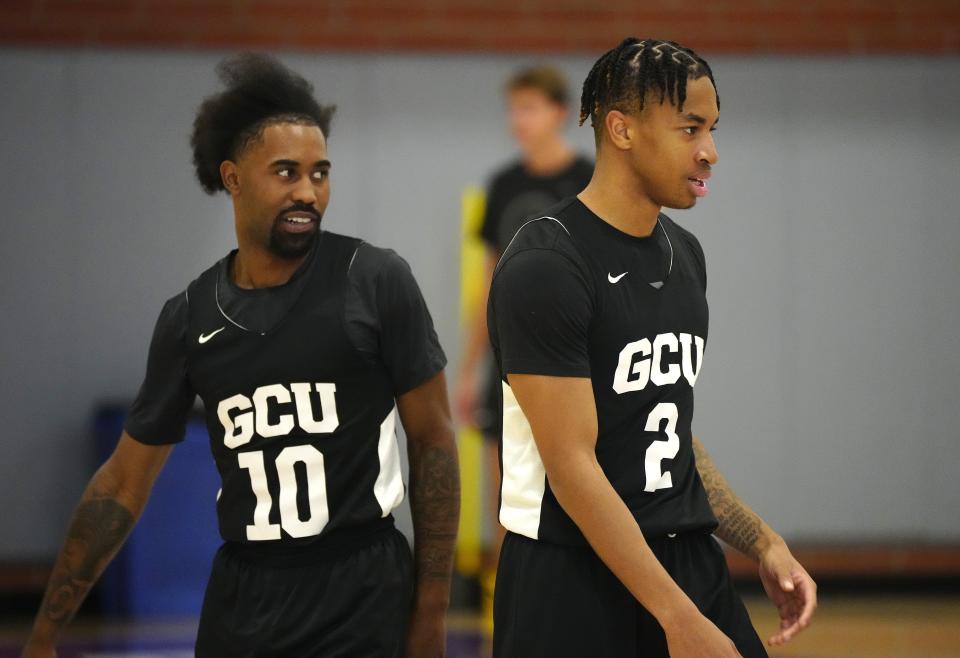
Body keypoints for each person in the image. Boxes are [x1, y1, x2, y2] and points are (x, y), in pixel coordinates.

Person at [21, 53, 459, 658]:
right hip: (244, 597)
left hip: (363, 588)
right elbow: (123, 484)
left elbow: (434, 441)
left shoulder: (374, 279)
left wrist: (432, 609)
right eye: (286, 172)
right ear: (232, 177)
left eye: (320, 172)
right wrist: (43, 635)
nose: (308, 191)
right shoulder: (189, 316)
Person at [487, 38, 817, 658]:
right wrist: (677, 617)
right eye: (690, 128)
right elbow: (573, 466)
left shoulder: (684, 254)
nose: (711, 151)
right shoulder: (546, 264)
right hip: (570, 577)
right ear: (622, 129)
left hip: (683, 559)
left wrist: (761, 540)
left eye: (713, 129)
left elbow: (663, 427)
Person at [455, 65, 592, 574]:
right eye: (514, 109)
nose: (519, 120)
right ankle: (504, 596)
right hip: (511, 356)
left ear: (559, 113)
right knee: (505, 481)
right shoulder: (503, 185)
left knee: (577, 476)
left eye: (530, 108)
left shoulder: (587, 181)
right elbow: (488, 280)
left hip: (576, 358)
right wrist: (470, 369)